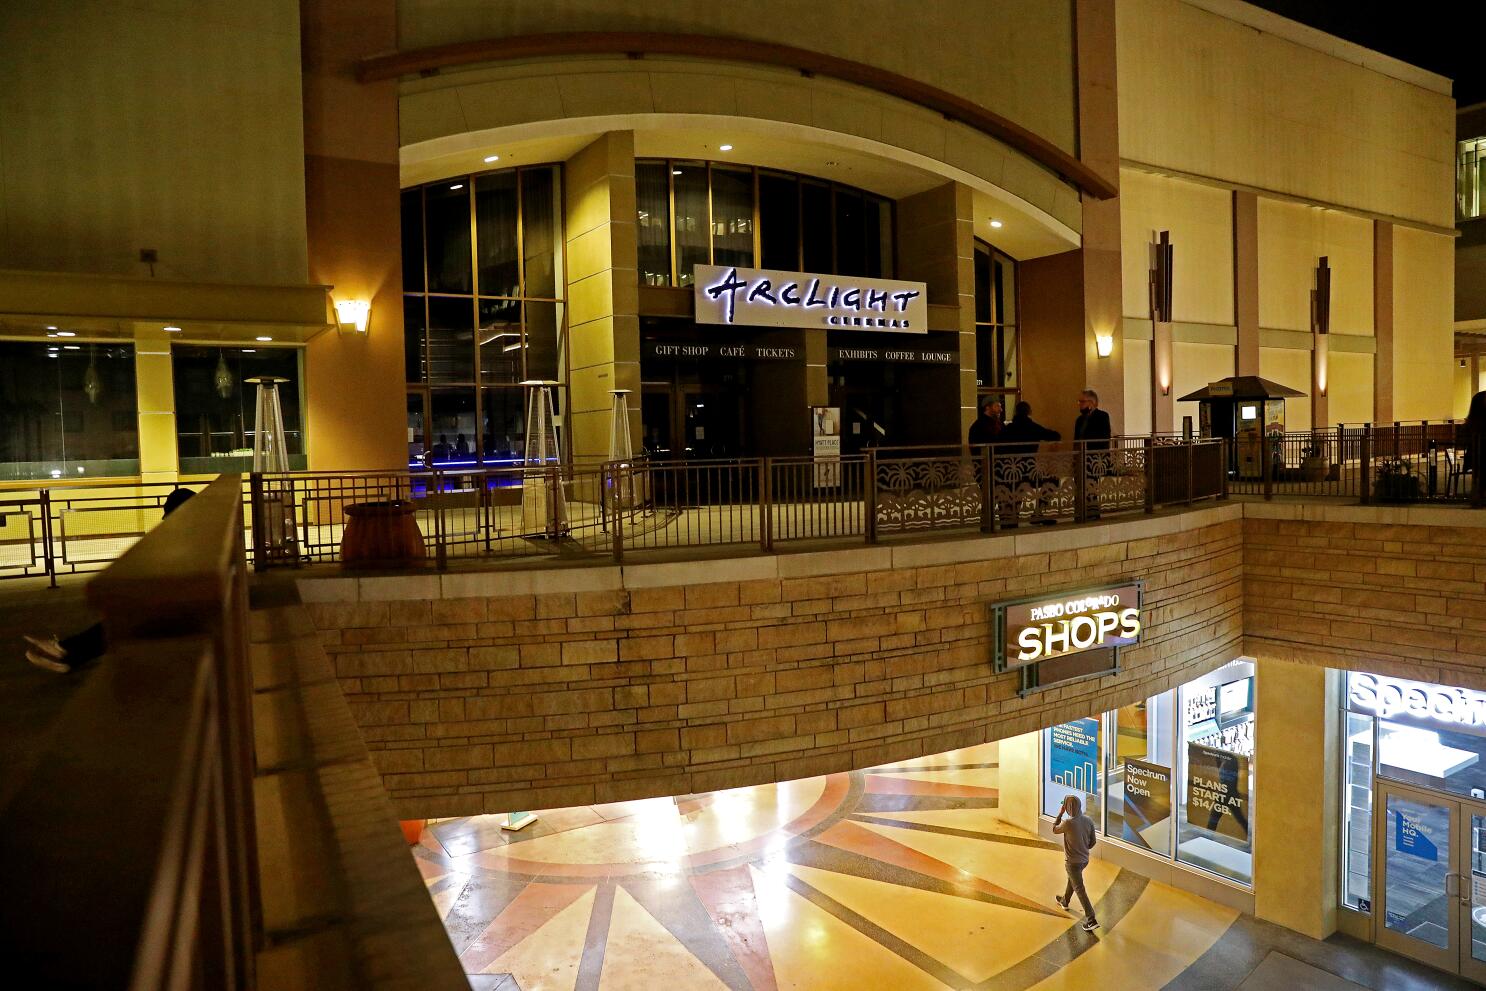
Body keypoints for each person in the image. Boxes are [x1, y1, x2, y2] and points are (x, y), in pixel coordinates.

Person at [23, 487, 196, 674]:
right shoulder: (198, 531)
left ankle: (66, 653)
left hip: (189, 609)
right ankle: (66, 654)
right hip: (185, 601)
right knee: (127, 615)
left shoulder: (194, 535)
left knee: (130, 618)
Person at [996, 401, 1062, 526]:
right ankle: (1038, 512)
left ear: (1016, 413)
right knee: (1053, 480)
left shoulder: (1008, 429)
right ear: (1029, 412)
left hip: (1010, 471)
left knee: (1014, 493)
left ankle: (1010, 521)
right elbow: (1055, 435)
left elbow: (998, 445)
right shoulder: (1034, 427)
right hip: (1028, 470)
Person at [1052, 794, 1100, 932]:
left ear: (1066, 808)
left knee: (1079, 888)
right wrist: (1083, 850)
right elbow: (1093, 842)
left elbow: (1054, 829)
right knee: (1073, 879)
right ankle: (1065, 901)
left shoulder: (1067, 823)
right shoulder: (1088, 820)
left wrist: (1060, 814)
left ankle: (1091, 919)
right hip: (1084, 860)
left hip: (1072, 862)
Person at [1074, 390, 1112, 519]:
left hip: (1095, 457)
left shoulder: (1102, 416)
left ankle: (1092, 511)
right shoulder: (1079, 419)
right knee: (1080, 484)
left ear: (1091, 403)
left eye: (1082, 402)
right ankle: (1080, 511)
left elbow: (1104, 436)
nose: (1079, 404)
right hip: (1081, 457)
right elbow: (1076, 439)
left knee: (1091, 483)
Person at [1466, 390, 1486, 507]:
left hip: (1476, 456)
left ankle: (1479, 495)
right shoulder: (1476, 425)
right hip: (1478, 457)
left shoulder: (1472, 423)